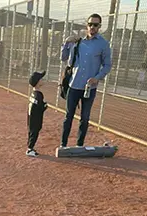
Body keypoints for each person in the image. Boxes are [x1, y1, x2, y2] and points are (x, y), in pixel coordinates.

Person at [60, 14, 112, 148]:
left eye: (96, 25)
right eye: (90, 24)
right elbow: (64, 58)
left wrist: (97, 77)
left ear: (99, 27)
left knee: (84, 118)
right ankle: (63, 144)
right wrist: (66, 43)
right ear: (86, 25)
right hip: (74, 85)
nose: (92, 27)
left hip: (89, 88)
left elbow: (107, 65)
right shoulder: (78, 42)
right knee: (68, 117)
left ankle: (79, 145)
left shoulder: (103, 44)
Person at [27, 70, 48, 157]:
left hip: (31, 117)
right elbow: (40, 107)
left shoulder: (33, 93)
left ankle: (30, 147)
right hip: (36, 118)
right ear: (38, 82)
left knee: (31, 132)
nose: (42, 80)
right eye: (41, 79)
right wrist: (45, 106)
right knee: (34, 133)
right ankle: (30, 149)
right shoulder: (39, 94)